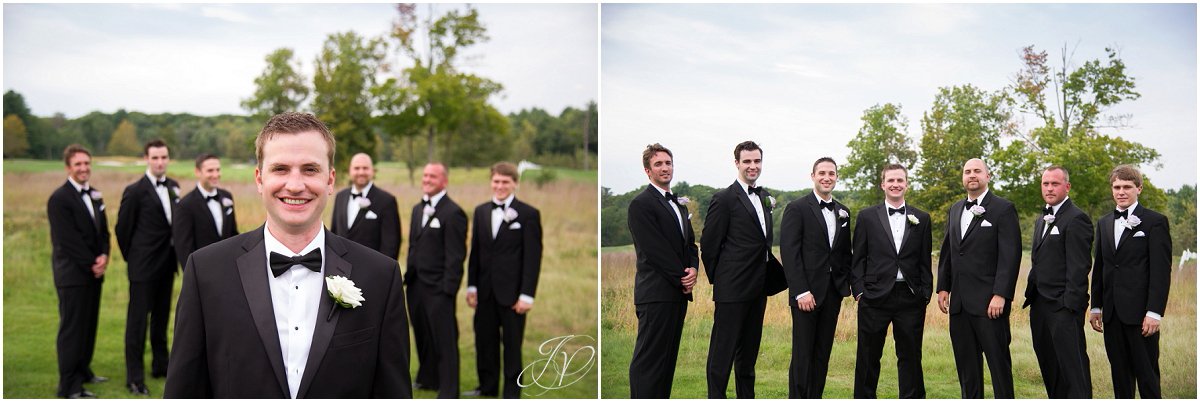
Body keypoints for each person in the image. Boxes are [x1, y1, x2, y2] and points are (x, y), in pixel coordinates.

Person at [164, 112, 412, 398]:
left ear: (330, 180)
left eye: (310, 169)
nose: (295, 185)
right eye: (280, 169)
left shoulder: (381, 276)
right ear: (259, 179)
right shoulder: (206, 272)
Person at [701, 140, 785, 398]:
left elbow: (763, 243)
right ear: (736, 163)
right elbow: (709, 244)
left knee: (748, 354)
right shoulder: (724, 199)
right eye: (747, 161)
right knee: (722, 353)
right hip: (732, 289)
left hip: (758, 288)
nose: (752, 166)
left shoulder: (763, 196)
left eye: (756, 161)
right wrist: (721, 280)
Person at [935, 158, 1021, 399]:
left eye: (977, 171)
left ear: (987, 176)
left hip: (990, 304)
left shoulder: (1003, 209)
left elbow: (1010, 256)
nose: (972, 175)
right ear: (963, 177)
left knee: (998, 365)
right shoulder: (955, 210)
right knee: (967, 368)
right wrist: (943, 287)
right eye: (967, 172)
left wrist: (1001, 294)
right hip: (960, 305)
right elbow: (949, 252)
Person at [850, 163, 932, 398]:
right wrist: (859, 291)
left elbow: (925, 260)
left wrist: (925, 293)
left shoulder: (922, 218)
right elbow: (859, 259)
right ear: (883, 184)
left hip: (910, 297)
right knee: (868, 355)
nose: (896, 184)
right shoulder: (867, 217)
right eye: (891, 180)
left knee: (911, 355)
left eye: (900, 180)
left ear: (906, 184)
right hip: (874, 296)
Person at [1090, 164, 1171, 399]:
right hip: (1112, 314)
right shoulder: (1104, 223)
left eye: (1127, 187)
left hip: (1141, 315)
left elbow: (1160, 271)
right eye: (1117, 187)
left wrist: (1154, 312)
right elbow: (1101, 267)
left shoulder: (1155, 222)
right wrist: (1096, 307)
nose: (1121, 191)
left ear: (1139, 189)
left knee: (1147, 375)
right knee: (1120, 375)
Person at [464, 162, 543, 398]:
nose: (500, 186)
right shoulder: (480, 212)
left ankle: (511, 392)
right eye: (496, 181)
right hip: (485, 292)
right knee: (485, 344)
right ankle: (486, 388)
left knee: (512, 346)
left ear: (515, 184)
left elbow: (532, 258)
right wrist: (472, 286)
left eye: (505, 182)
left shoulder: (528, 214)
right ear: (491, 182)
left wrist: (527, 295)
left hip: (513, 295)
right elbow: (475, 252)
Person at [627, 143, 699, 398]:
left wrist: (693, 269)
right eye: (658, 164)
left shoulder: (679, 205)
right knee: (649, 360)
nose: (665, 168)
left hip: (677, 294)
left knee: (666, 362)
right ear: (648, 171)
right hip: (655, 294)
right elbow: (654, 250)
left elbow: (690, 244)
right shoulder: (641, 204)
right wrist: (682, 277)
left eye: (668, 163)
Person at [779, 157, 852, 398]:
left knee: (822, 353)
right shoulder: (797, 208)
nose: (827, 177)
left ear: (837, 177)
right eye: (822, 173)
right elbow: (790, 253)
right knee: (803, 354)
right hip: (806, 294)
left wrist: (847, 285)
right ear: (813, 176)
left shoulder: (844, 211)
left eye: (831, 173)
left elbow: (843, 253)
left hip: (832, 293)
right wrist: (800, 290)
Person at [1023, 165, 1093, 398]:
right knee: (1050, 367)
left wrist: (1070, 307)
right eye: (1046, 184)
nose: (1049, 188)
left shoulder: (1077, 219)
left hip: (1063, 308)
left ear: (1067, 186)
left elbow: (1079, 267)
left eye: (1055, 183)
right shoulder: (1042, 218)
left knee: (1073, 369)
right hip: (1039, 304)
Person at [115, 139, 179, 396]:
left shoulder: (174, 187)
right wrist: (133, 258)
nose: (160, 162)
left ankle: (160, 365)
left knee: (161, 320)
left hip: (167, 266)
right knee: (137, 323)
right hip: (142, 268)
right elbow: (122, 230)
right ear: (146, 159)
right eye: (155, 158)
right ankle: (134, 376)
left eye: (164, 157)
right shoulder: (135, 190)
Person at [47, 144, 111, 398]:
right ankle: (69, 386)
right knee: (72, 330)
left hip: (94, 272)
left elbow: (103, 231)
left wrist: (105, 254)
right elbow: (67, 240)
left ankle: (84, 370)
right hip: (72, 275)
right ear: (68, 168)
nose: (84, 168)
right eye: (78, 164)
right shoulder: (59, 199)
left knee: (88, 326)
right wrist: (91, 263)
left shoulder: (95, 194)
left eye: (86, 163)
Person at [406, 162, 468, 398]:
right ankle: (428, 378)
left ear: (444, 181)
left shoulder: (454, 213)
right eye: (425, 175)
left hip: (439, 289)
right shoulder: (417, 209)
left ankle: (449, 389)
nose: (427, 179)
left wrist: (448, 290)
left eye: (433, 176)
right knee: (422, 334)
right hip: (415, 285)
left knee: (445, 339)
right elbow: (414, 245)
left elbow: (456, 256)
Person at [331, 153, 401, 261]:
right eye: (357, 168)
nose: (361, 172)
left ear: (372, 171)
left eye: (365, 168)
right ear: (350, 170)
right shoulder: (340, 197)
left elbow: (391, 244)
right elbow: (334, 234)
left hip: (371, 269)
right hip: (341, 270)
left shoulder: (387, 201)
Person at [173, 153, 239, 267]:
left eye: (218, 170)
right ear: (197, 172)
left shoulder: (227, 197)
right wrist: (193, 275)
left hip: (228, 266)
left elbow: (233, 233)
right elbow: (184, 247)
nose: (216, 174)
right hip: (202, 269)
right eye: (210, 171)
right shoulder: (185, 205)